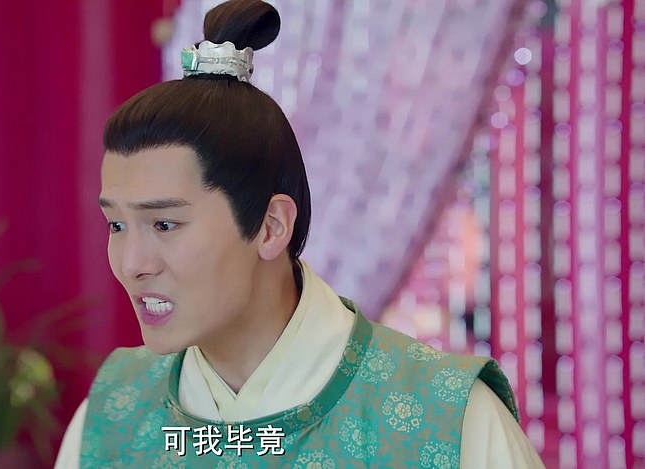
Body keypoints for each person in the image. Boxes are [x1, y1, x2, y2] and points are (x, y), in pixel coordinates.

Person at [55, 0, 545, 467]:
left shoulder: (446, 419)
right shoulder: (111, 417)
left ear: (271, 227)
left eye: (164, 224)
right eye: (117, 225)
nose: (132, 263)